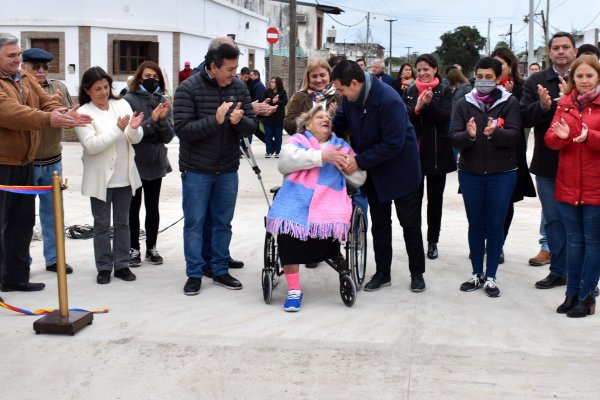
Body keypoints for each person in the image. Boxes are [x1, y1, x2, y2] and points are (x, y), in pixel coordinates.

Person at [0, 33, 90, 292]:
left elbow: (45, 99)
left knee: (22, 222)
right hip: (3, 163)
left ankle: (15, 278)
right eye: (11, 55)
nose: (18, 60)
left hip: (25, 162)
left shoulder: (24, 77)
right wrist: (47, 118)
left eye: (18, 54)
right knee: (2, 224)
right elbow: (12, 113)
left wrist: (59, 111)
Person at [331, 60, 426, 293]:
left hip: (402, 171)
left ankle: (417, 273)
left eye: (342, 90)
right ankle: (383, 272)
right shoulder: (352, 98)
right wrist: (318, 133)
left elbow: (393, 144)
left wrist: (359, 161)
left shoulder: (388, 99)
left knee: (409, 224)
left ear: (355, 83)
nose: (340, 95)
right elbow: (339, 123)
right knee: (380, 224)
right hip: (376, 172)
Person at [174, 37, 256, 296]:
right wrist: (216, 120)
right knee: (195, 223)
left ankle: (220, 269)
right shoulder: (188, 88)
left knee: (223, 222)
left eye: (236, 69)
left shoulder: (239, 88)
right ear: (213, 66)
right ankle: (194, 273)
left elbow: (252, 125)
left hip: (228, 168)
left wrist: (238, 121)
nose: (234, 74)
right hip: (197, 169)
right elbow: (183, 130)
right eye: (230, 70)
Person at [266, 107, 366, 311]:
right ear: (307, 123)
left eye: (329, 117)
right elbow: (284, 163)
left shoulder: (341, 146)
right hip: (296, 198)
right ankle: (294, 289)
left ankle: (329, 256)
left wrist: (345, 166)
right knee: (288, 223)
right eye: (320, 117)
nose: (326, 119)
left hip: (329, 199)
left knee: (330, 215)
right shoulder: (297, 141)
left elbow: (360, 178)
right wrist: (322, 157)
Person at [451, 57, 521, 298]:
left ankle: (491, 276)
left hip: (502, 174)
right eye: (479, 76)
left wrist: (496, 133)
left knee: (495, 224)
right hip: (470, 173)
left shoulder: (509, 102)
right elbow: (453, 136)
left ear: (498, 78)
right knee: (476, 224)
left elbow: (514, 136)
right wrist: (469, 136)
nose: (483, 81)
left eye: (488, 77)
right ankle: (476, 274)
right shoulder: (463, 103)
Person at [75, 66, 143, 285]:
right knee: (102, 225)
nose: (103, 92)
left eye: (106, 87)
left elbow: (135, 138)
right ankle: (104, 266)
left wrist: (133, 128)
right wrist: (117, 129)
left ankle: (122, 264)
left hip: (124, 175)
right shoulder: (83, 113)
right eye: (97, 89)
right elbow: (91, 146)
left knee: (123, 223)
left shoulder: (121, 104)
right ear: (87, 90)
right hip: (101, 180)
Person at [545, 55, 600, 317]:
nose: (584, 81)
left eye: (589, 75)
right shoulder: (565, 104)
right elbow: (549, 140)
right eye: (579, 76)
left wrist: (590, 137)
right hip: (568, 184)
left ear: (598, 76)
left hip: (595, 187)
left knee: (593, 243)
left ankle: (587, 295)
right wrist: (561, 137)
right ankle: (571, 294)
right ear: (572, 79)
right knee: (575, 243)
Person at [521, 32, 577, 290]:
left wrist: (571, 97)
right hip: (548, 163)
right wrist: (543, 107)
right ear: (549, 52)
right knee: (554, 219)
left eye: (566, 47)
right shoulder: (537, 81)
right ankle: (558, 271)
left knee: (581, 222)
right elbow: (523, 117)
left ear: (574, 51)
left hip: (581, 162)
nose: (561, 51)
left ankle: (582, 274)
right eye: (556, 48)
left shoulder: (586, 78)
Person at [21, 48, 75, 275]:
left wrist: (67, 111)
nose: (41, 71)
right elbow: (21, 116)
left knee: (53, 214)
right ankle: (20, 263)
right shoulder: (18, 88)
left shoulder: (59, 88)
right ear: (24, 67)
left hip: (53, 162)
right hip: (26, 163)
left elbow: (70, 120)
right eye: (36, 67)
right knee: (21, 217)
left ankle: (54, 259)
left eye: (45, 67)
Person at [404, 54, 456, 260]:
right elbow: (404, 120)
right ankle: (414, 241)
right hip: (414, 155)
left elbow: (445, 119)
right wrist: (417, 107)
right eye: (420, 69)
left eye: (426, 69)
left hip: (437, 155)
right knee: (413, 201)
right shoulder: (409, 91)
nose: (423, 73)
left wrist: (430, 103)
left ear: (435, 69)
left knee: (435, 201)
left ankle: (432, 241)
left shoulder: (444, 91)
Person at [123, 61, 174, 268]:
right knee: (132, 207)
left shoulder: (164, 101)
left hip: (156, 161)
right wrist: (152, 121)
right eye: (146, 76)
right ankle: (133, 247)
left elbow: (169, 136)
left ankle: (151, 247)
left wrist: (161, 121)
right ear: (139, 78)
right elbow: (131, 133)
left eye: (155, 75)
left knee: (153, 207)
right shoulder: (128, 99)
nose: (151, 79)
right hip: (134, 161)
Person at [491, 47, 536, 263]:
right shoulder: (484, 86)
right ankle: (483, 242)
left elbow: (523, 119)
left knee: (505, 202)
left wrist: (509, 98)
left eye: (502, 64)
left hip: (510, 152)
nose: (498, 69)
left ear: (511, 66)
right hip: (484, 152)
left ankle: (498, 245)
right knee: (484, 203)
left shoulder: (521, 88)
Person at [284, 57, 340, 136]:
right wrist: (308, 118)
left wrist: (335, 116)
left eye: (322, 75)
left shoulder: (339, 96)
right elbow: (288, 126)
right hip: (306, 146)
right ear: (308, 78)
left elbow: (348, 129)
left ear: (329, 75)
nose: (318, 80)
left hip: (334, 147)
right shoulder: (299, 97)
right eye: (314, 76)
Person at [261, 76, 287, 158]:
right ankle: (268, 151)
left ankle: (278, 151)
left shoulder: (282, 92)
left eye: (273, 82)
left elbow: (285, 102)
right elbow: (264, 102)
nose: (271, 83)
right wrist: (272, 101)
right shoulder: (267, 92)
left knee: (278, 135)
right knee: (268, 135)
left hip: (279, 117)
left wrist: (278, 101)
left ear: (277, 83)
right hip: (268, 117)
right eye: (271, 82)